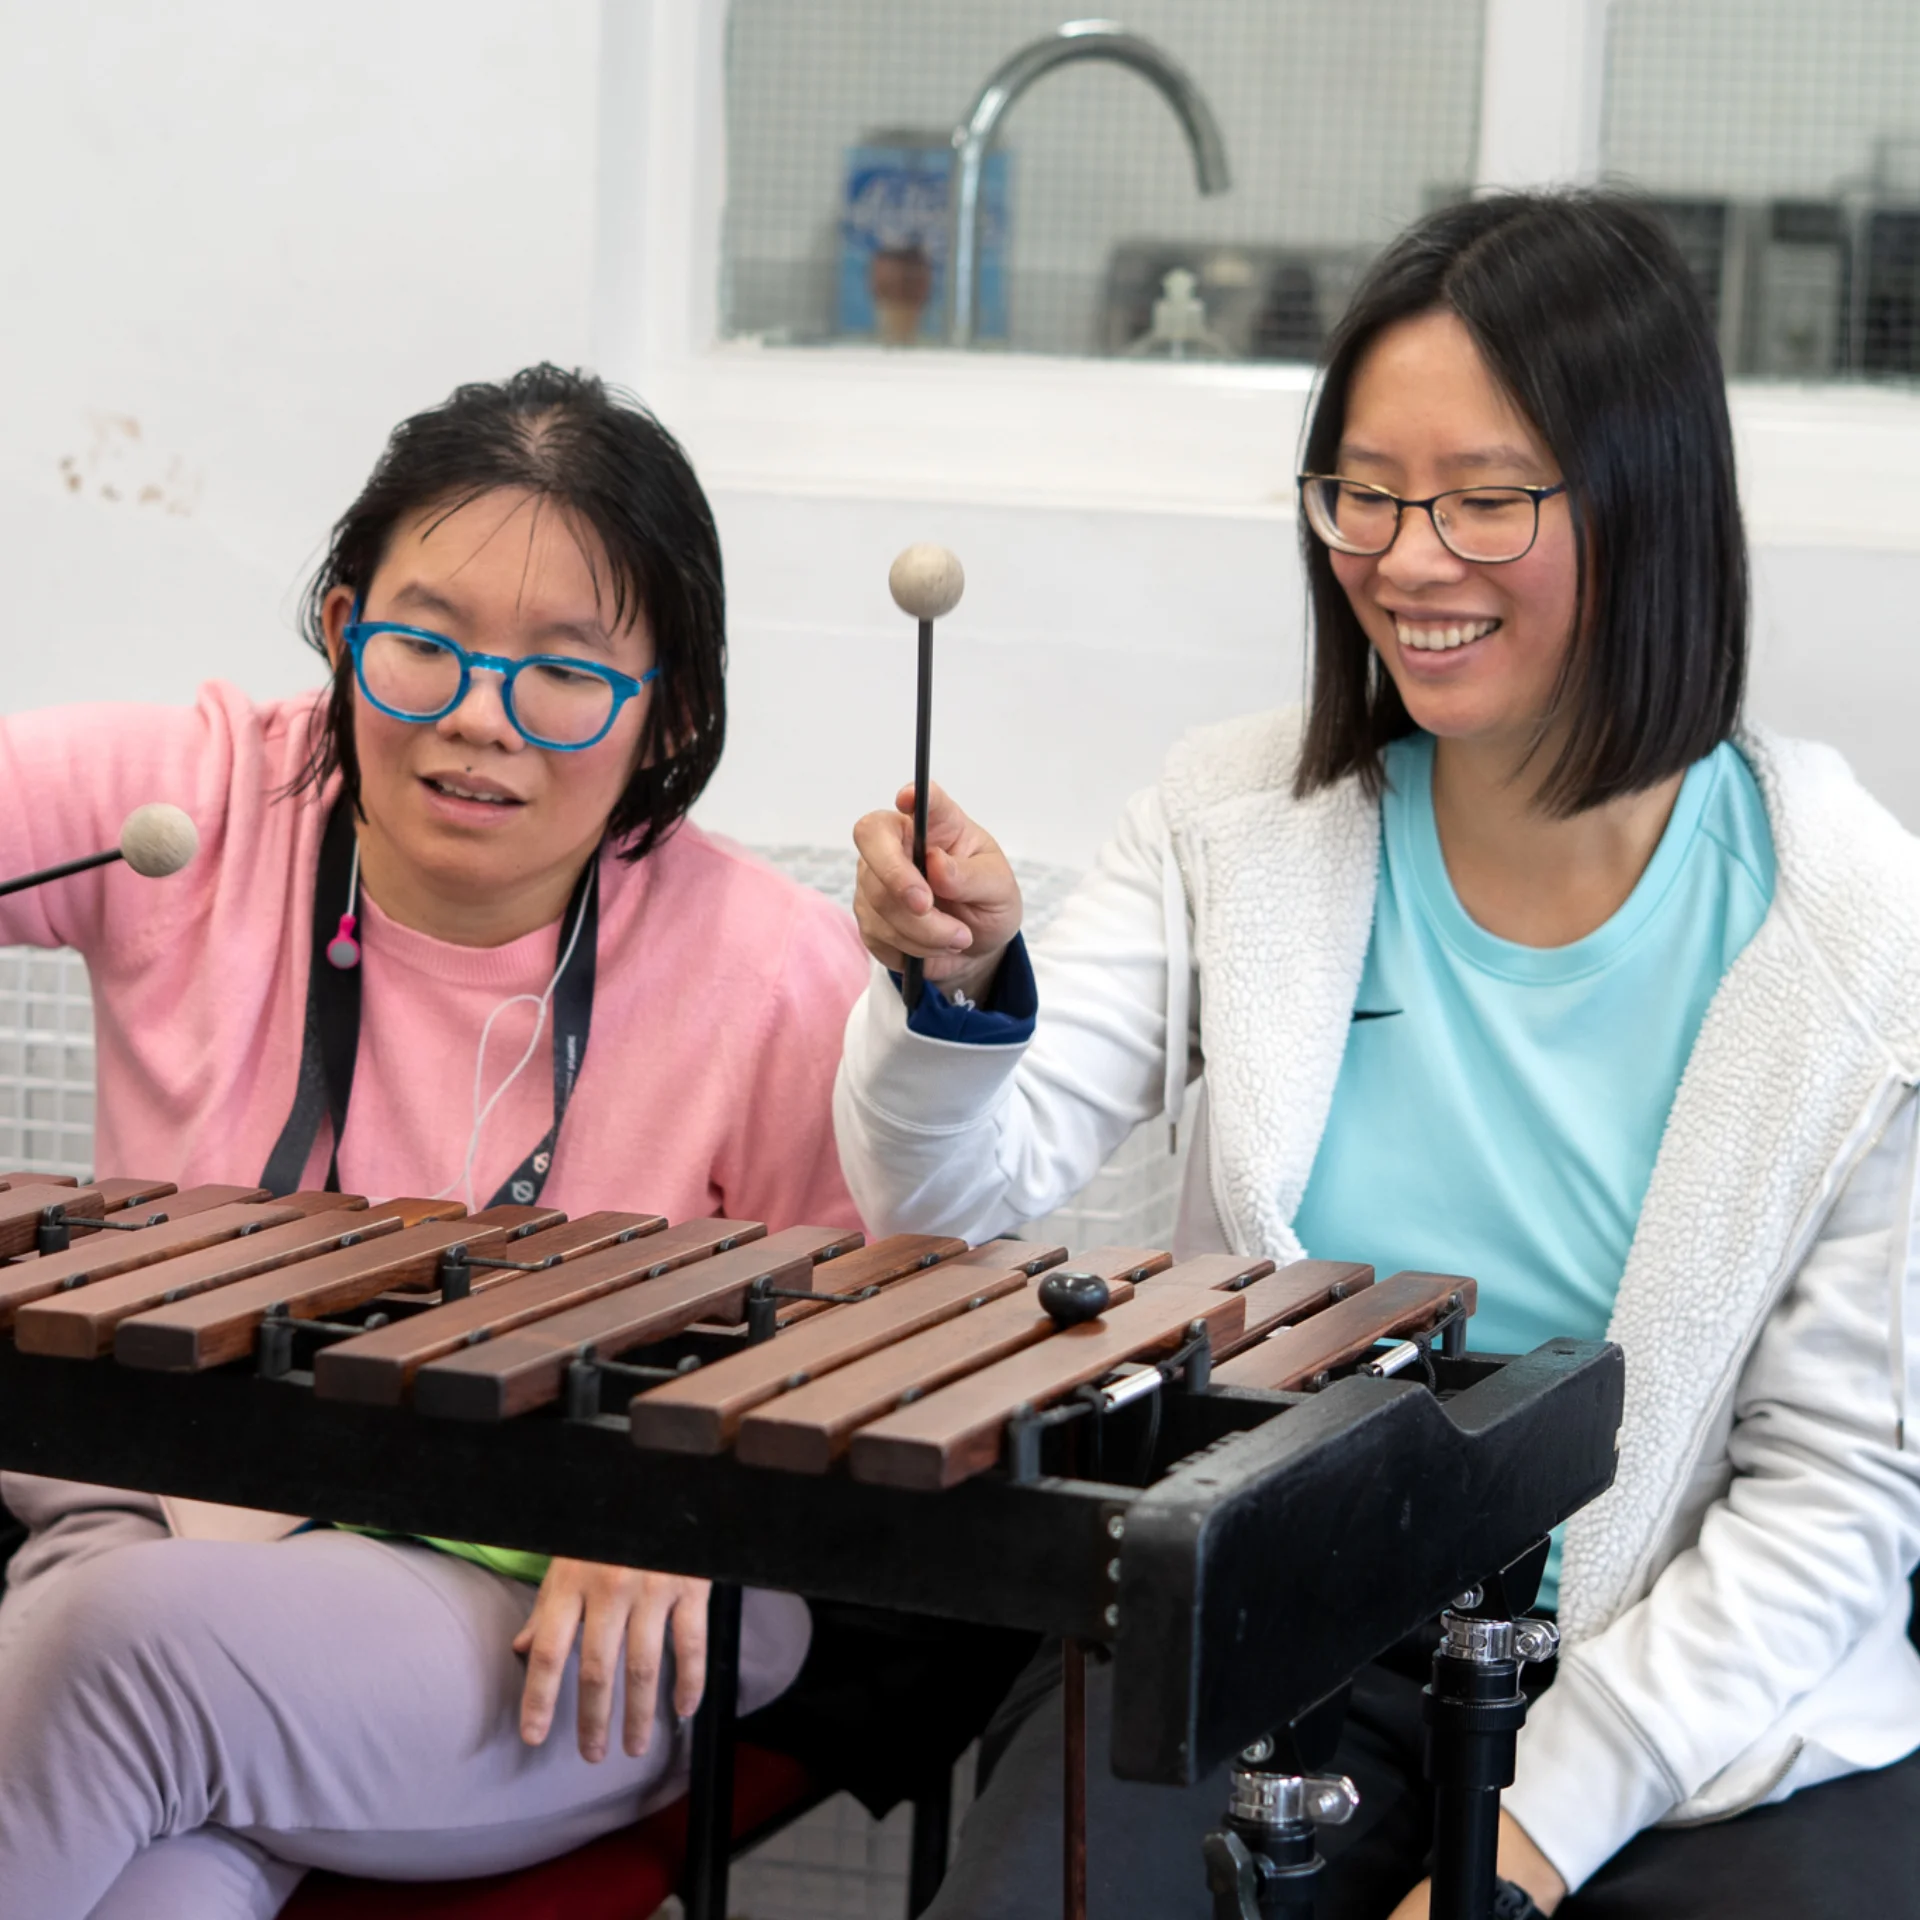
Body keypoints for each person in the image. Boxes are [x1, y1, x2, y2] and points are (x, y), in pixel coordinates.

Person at [837, 193, 1920, 1917]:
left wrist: (1522, 1842)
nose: (1409, 561)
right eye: (1365, 492)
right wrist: (959, 990)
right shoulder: (1233, 818)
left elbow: (1831, 1506)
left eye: (1487, 498)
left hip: (1676, 1690)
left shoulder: (1859, 933)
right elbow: (948, 1197)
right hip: (1276, 1626)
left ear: (1647, 504)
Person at [0, 365, 870, 1918]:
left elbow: (883, 1332)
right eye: (424, 643)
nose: (477, 716)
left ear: (669, 706)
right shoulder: (197, 807)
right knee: (161, 1886)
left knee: (123, 1656)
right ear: (345, 629)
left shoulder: (773, 970)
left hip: (550, 1589)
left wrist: (687, 1492)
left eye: (564, 671)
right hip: (152, 1515)